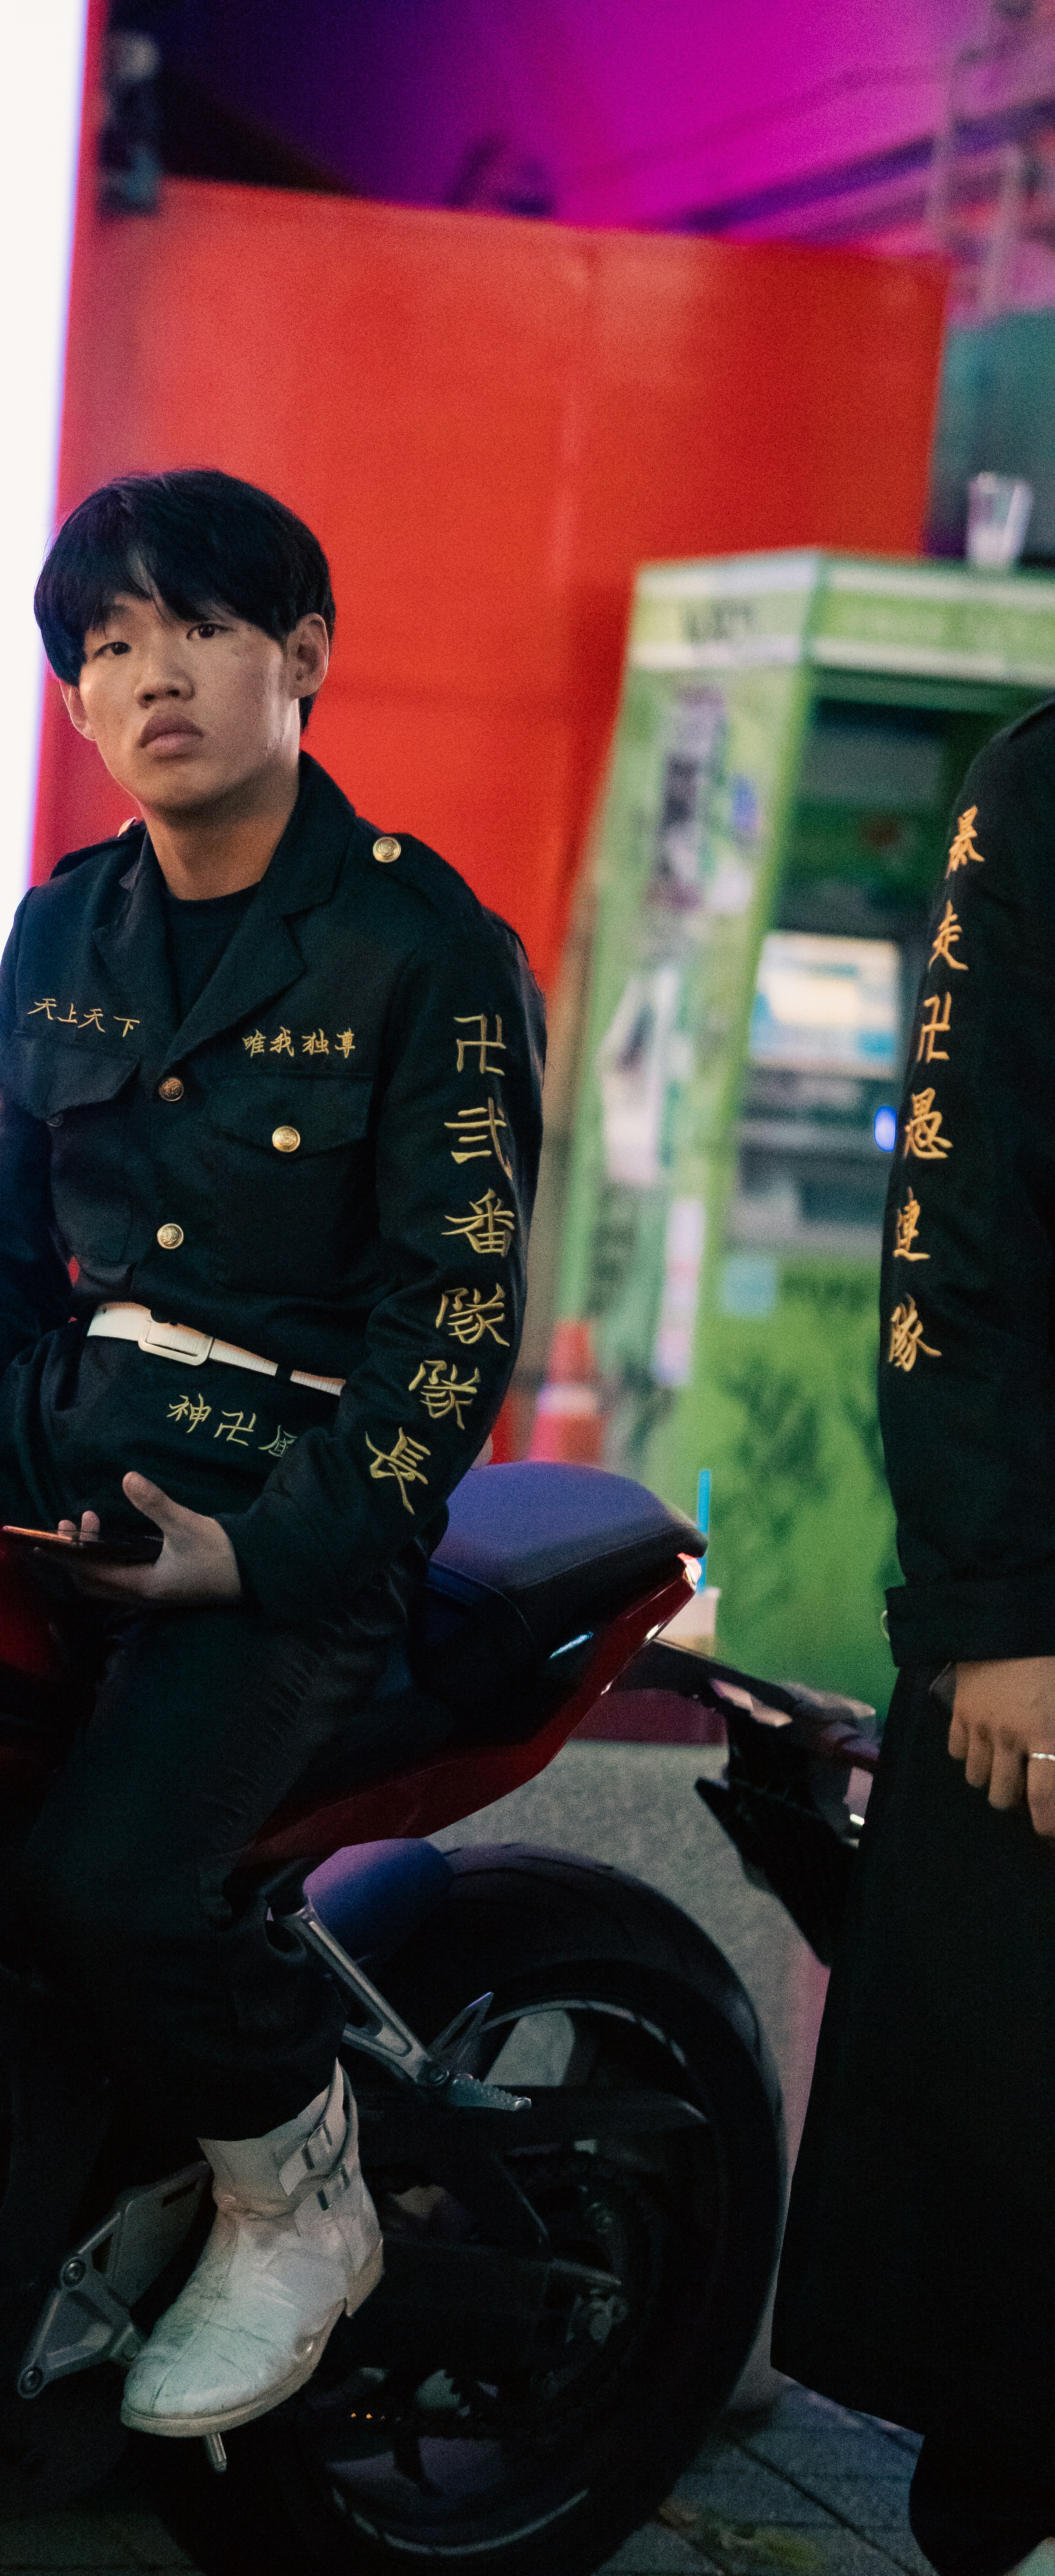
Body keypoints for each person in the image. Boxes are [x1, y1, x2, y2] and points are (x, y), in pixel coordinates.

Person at [0, 468, 544, 2440]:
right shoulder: (66, 922)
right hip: (57, 1465)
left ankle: (296, 2195)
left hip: (286, 1522)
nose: (149, 675)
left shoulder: (422, 951)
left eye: (197, 628)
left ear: (299, 657)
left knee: (113, 1885)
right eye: (105, 644)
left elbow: (449, 1334)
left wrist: (258, 1555)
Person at [774, 705, 1055, 2576]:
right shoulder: (1040, 791)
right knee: (1016, 2206)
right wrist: (997, 1609)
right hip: (1053, 1610)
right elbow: (953, 1223)